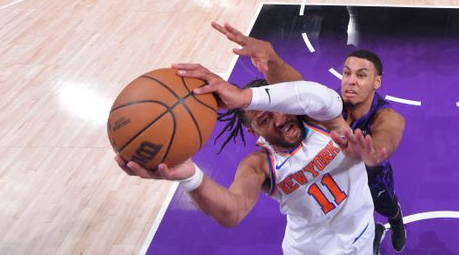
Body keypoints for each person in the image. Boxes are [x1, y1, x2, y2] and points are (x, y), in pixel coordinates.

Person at [115, 48, 382, 254]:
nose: (279, 120)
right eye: (264, 120)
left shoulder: (321, 120)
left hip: (362, 233)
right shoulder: (259, 165)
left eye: (281, 109)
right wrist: (190, 176)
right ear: (253, 132)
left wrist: (244, 97)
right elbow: (233, 210)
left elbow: (322, 97)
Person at [212, 22, 407, 254]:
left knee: (386, 205)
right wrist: (272, 61)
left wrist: (373, 152)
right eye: (346, 73)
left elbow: (390, 131)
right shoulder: (323, 106)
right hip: (334, 192)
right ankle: (370, 232)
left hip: (372, 174)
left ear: (377, 82)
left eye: (361, 75)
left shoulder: (384, 114)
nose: (351, 80)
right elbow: (296, 89)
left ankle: (396, 221)